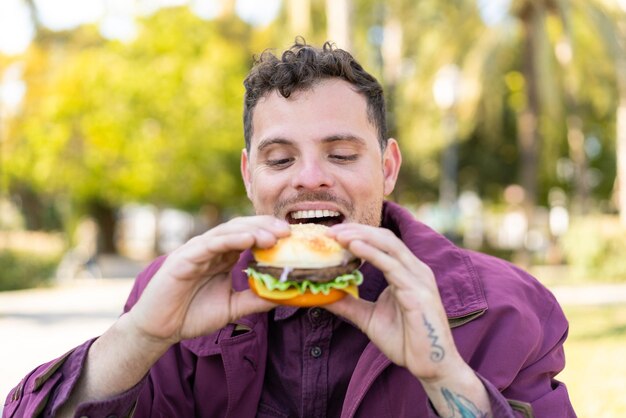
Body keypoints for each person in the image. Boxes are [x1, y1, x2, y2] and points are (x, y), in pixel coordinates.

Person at [4, 40, 576, 418]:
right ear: (250, 176)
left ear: (388, 168)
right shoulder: (177, 292)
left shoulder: (511, 310)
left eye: (342, 154)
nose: (309, 178)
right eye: (280, 160)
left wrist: (444, 374)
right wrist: (139, 337)